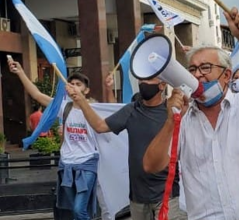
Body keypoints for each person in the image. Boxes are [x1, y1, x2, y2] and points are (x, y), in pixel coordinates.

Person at [142, 7, 239, 220]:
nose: (198, 75)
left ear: (227, 76)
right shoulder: (183, 120)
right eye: (193, 69)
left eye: (205, 68)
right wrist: (171, 122)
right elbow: (151, 165)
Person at [66, 73, 186, 220]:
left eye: (148, 79)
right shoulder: (132, 110)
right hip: (138, 195)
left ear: (162, 85)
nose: (143, 82)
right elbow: (100, 126)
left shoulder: (172, 110)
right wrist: (81, 100)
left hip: (167, 193)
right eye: (141, 79)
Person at [8, 60, 98, 220]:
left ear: (87, 90)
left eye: (78, 84)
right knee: (73, 210)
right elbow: (36, 95)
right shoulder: (64, 106)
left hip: (87, 163)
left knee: (79, 209)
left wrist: (110, 88)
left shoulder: (96, 108)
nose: (74, 86)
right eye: (71, 83)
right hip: (67, 164)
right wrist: (20, 72)